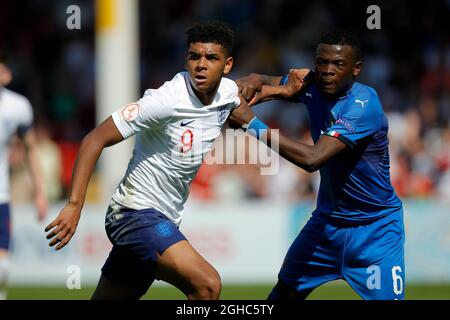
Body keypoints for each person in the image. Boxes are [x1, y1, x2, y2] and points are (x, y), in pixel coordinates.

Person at [45, 21, 241, 300]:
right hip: (134, 214)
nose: (201, 64)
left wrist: (286, 86)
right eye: (194, 56)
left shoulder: (228, 93)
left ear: (227, 64)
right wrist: (75, 205)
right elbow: (93, 139)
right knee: (207, 285)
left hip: (163, 218)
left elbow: (257, 84)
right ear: (186, 58)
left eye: (211, 58)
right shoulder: (165, 100)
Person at [230, 29, 405, 300]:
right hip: (326, 225)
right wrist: (257, 78)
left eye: (338, 64)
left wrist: (250, 124)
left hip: (375, 231)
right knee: (282, 294)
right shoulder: (313, 85)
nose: (328, 70)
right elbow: (278, 82)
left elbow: (313, 159)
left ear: (356, 69)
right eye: (322, 62)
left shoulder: (364, 104)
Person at [0, 53, 48, 299]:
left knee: (2, 267)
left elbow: (30, 150)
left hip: (1, 196)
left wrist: (40, 192)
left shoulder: (17, 107)